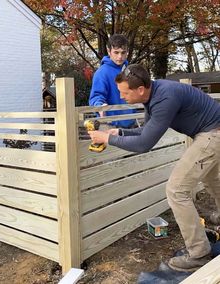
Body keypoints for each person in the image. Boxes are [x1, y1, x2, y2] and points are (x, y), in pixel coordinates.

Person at [88, 64, 220, 272]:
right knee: (212, 179)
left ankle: (199, 253)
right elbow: (145, 133)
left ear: (140, 89)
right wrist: (117, 134)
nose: (121, 97)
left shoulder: (165, 98)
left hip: (213, 134)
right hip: (211, 131)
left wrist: (106, 138)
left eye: (124, 92)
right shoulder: (153, 95)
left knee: (176, 190)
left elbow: (143, 145)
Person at [89, 34, 136, 128]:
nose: (120, 57)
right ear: (108, 51)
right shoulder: (102, 72)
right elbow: (95, 97)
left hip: (131, 124)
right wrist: (100, 106)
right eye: (116, 52)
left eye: (123, 52)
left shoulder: (129, 70)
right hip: (110, 125)